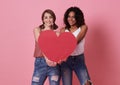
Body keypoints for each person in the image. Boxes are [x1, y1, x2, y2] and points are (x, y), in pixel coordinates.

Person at [60, 7, 93, 85]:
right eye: (69, 16)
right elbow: (61, 46)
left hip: (79, 60)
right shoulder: (63, 30)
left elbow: (75, 42)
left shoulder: (83, 27)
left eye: (73, 17)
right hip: (66, 61)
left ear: (78, 17)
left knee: (87, 83)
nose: (70, 19)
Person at [31, 9, 60, 85]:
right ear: (43, 20)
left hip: (54, 64)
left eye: (50, 17)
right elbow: (41, 42)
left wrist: (57, 60)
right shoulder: (37, 30)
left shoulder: (57, 33)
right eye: (46, 17)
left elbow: (59, 49)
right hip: (40, 63)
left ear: (53, 19)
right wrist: (47, 58)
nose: (48, 19)